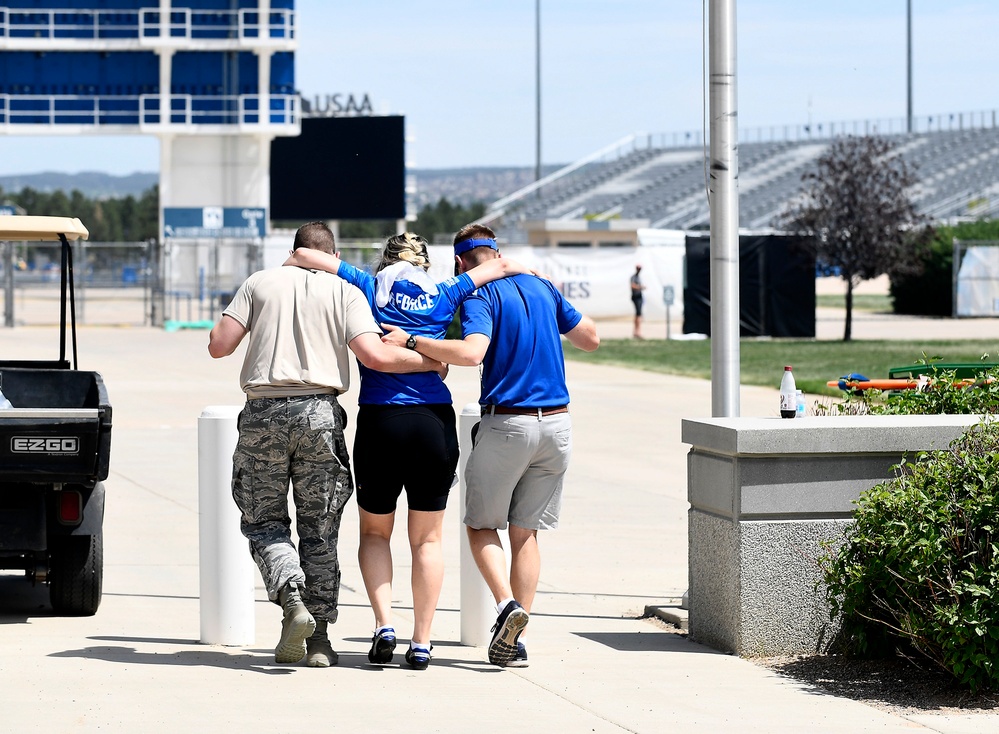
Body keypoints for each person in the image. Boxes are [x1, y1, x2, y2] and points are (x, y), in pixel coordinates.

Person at [284, 232, 531, 670]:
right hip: (432, 423)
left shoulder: (366, 283)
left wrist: (294, 262)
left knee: (376, 533)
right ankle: (422, 641)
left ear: (386, 260)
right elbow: (499, 266)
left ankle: (383, 625)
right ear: (425, 264)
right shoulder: (446, 291)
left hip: (380, 421)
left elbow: (307, 254)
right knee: (427, 539)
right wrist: (529, 272)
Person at [207, 221, 444, 669]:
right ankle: (320, 640)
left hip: (264, 414)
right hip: (320, 412)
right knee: (321, 530)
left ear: (294, 250)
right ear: (328, 254)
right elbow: (374, 355)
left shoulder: (259, 282)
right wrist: (430, 363)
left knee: (265, 522)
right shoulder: (345, 292)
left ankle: (289, 594)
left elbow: (219, 346)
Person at [382, 223, 599, 668]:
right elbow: (590, 339)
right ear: (497, 251)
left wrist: (411, 339)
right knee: (527, 534)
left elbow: (472, 353)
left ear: (462, 263)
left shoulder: (480, 297)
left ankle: (506, 606)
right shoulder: (542, 286)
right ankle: (513, 642)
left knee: (482, 526)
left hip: (509, 425)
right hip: (558, 426)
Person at [630, 264, 645, 339]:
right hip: (636, 297)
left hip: (639, 296)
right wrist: (640, 287)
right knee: (638, 314)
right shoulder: (634, 277)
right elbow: (632, 286)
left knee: (638, 314)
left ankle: (636, 331)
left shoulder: (638, 277)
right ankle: (637, 332)